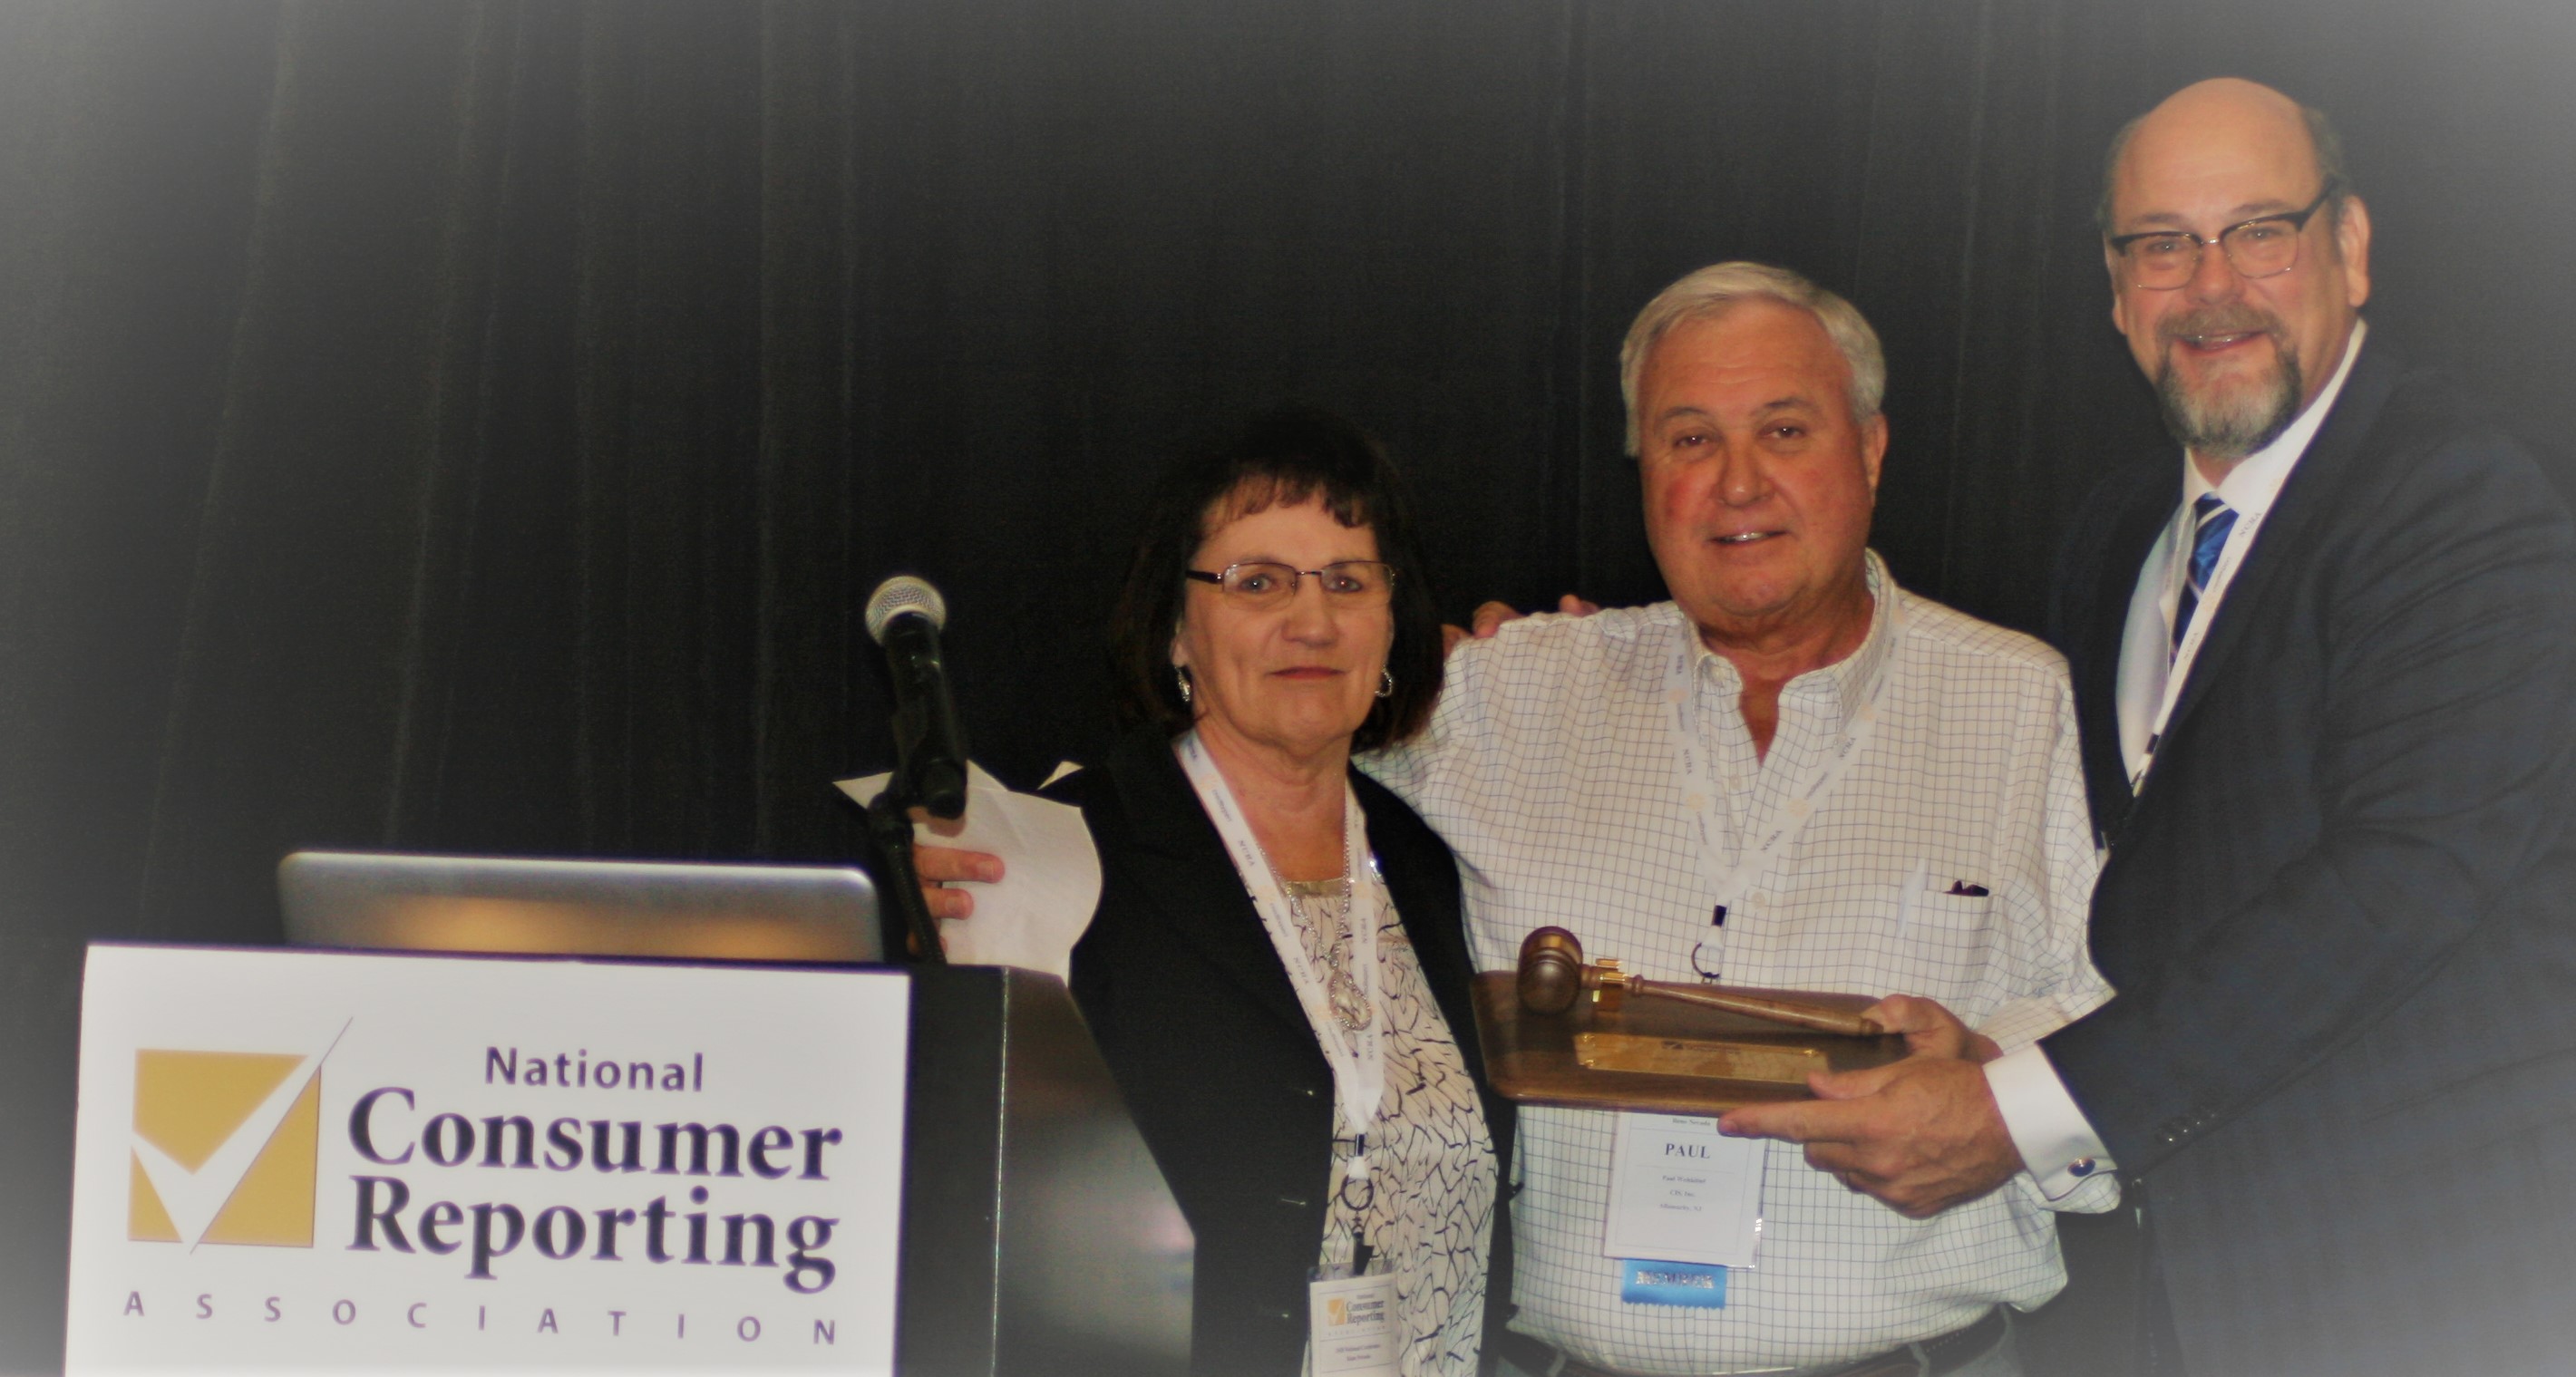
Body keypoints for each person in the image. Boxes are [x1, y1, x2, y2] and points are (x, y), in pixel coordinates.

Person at [1719, 79, 2576, 1376]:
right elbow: (2157, 907)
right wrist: (2000, 1040)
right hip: (2171, 1298)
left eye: (2260, 231)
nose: (2209, 283)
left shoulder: (2459, 504)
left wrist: (2011, 1108)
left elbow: (2404, 877)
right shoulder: (2116, 534)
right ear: (2118, 292)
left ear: (2350, 250)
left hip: (2421, 1284)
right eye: (2161, 243)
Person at [1368, 261, 2114, 1377]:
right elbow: (1254, 741)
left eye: (1783, 430)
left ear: (1869, 449)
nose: (1737, 484)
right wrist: (1038, 865)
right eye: (1689, 440)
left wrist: (1997, 1096)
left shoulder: (2020, 701)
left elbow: (2116, 995)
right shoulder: (1511, 693)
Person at [919, 406, 1514, 1377]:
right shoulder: (1069, 852)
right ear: (1175, 630)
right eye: (1258, 582)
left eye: (1348, 581)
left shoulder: (1426, 859)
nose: (1311, 620)